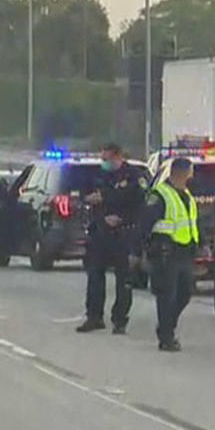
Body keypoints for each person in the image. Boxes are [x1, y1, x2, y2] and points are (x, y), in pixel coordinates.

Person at [76, 143, 147, 335]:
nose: (104, 163)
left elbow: (138, 200)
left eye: (107, 159)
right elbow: (86, 196)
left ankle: (120, 320)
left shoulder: (134, 175)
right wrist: (97, 206)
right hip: (101, 232)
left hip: (124, 232)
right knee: (95, 276)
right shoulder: (98, 175)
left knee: (124, 279)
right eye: (102, 159)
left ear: (118, 157)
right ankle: (94, 317)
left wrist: (107, 199)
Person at [138, 156, 198, 352]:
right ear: (182, 172)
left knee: (185, 294)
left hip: (184, 251)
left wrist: (202, 243)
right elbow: (145, 223)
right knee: (167, 295)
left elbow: (192, 222)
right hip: (165, 252)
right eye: (191, 171)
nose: (192, 175)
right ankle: (166, 336)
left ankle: (166, 326)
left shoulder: (186, 195)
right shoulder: (159, 195)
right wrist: (141, 250)